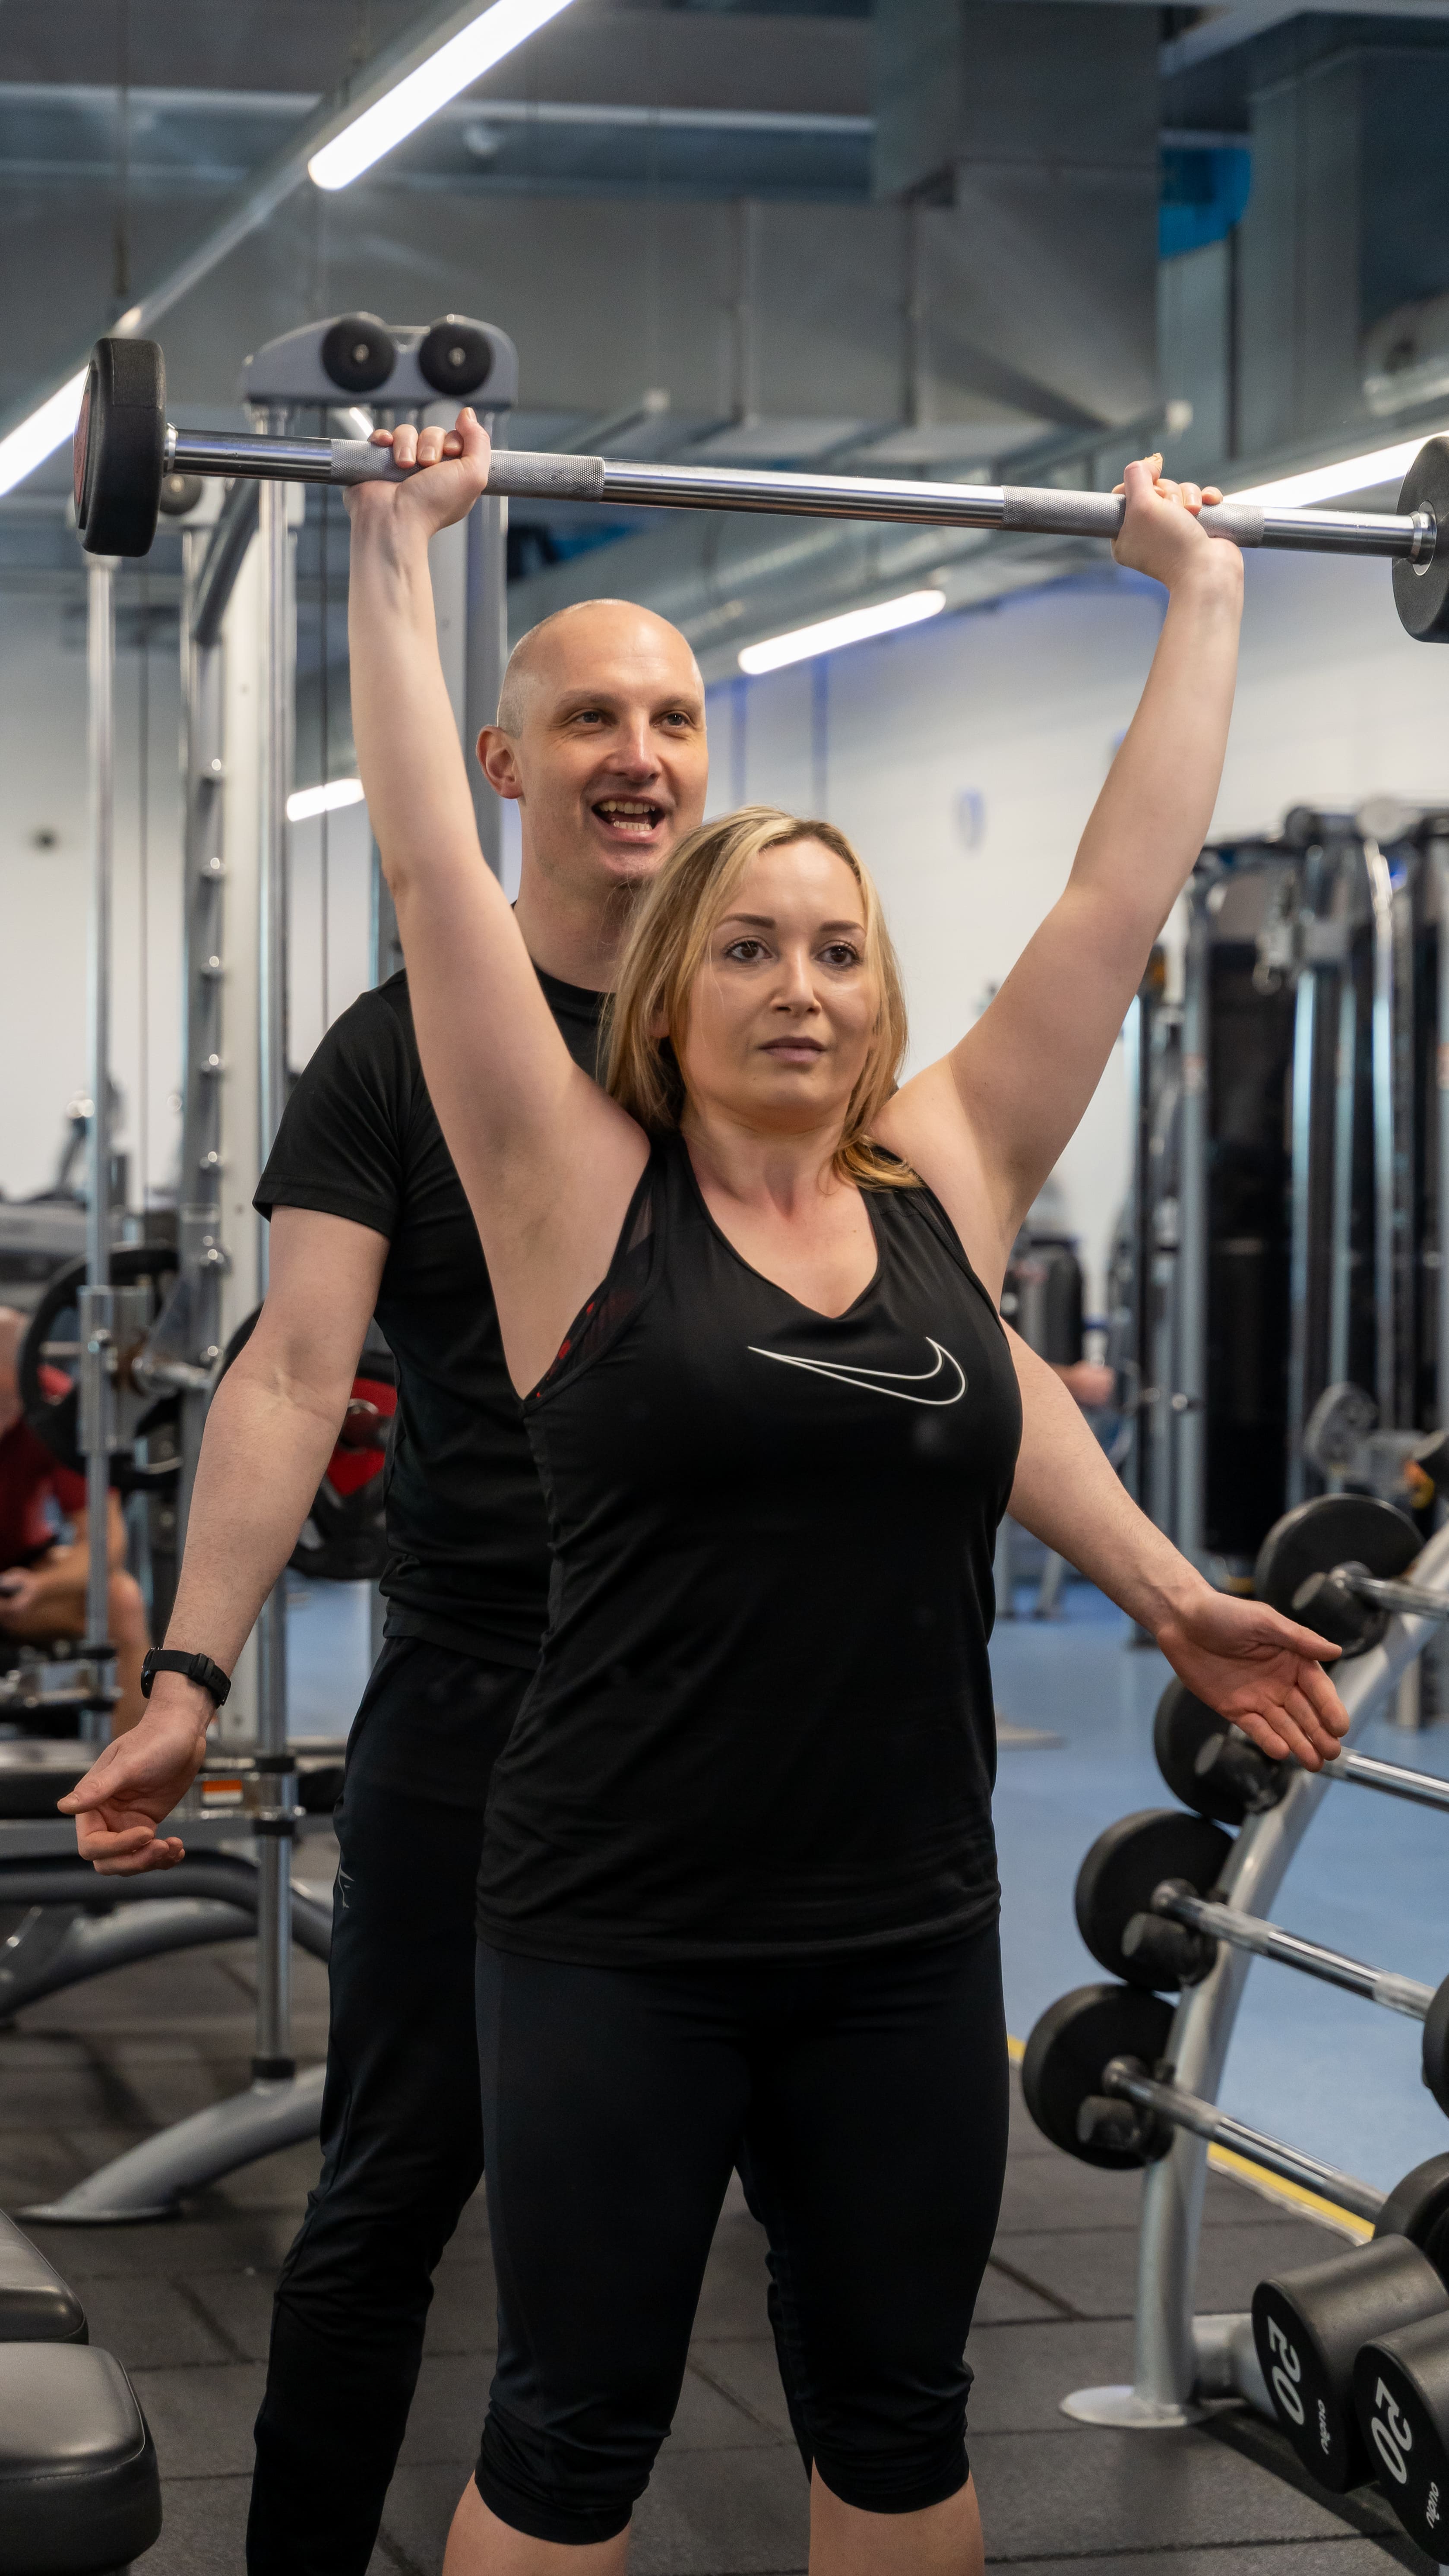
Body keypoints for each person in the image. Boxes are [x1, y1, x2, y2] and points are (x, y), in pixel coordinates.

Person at [61, 582, 1342, 2573]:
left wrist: (1205, 590)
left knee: (894, 2410)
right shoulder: (552, 1169)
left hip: (892, 1901)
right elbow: (416, 913)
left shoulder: (930, 1178)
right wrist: (391, 546)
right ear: (670, 992)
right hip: (577, 1840)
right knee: (518, 2355)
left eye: (835, 949)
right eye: (746, 948)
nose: (797, 984)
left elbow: (1113, 903)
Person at [0, 1306, 148, 1731]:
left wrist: (39, 1585)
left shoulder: (56, 1408)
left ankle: (131, 1765)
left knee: (121, 1601)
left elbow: (105, 1543)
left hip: (19, 1577)